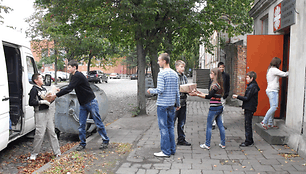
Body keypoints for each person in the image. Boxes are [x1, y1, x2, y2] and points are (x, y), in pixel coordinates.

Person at [50, 60, 109, 151]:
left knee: (97, 121)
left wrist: (56, 95)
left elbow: (70, 89)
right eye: (68, 67)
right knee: (81, 124)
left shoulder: (77, 75)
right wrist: (60, 90)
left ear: (74, 67)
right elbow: (70, 86)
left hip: (90, 102)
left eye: (69, 67)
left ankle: (105, 140)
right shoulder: (74, 76)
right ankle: (82, 143)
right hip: (83, 103)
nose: (68, 68)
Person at [147, 53, 180, 157]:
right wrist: (178, 103)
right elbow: (177, 91)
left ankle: (165, 151)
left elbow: (160, 90)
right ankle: (172, 149)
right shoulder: (175, 74)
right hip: (171, 104)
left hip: (162, 105)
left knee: (163, 128)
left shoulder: (162, 74)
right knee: (170, 126)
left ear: (164, 61)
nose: (158, 62)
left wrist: (150, 90)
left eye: (159, 60)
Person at [190, 68, 225, 150]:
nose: (210, 74)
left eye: (211, 73)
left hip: (214, 108)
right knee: (220, 126)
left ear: (215, 75)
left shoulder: (214, 85)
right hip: (219, 107)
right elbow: (211, 95)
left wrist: (196, 95)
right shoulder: (219, 84)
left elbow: (208, 96)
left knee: (209, 126)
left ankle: (207, 144)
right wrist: (199, 93)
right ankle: (223, 143)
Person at [28, 73, 61, 160]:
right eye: (40, 78)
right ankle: (34, 153)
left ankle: (57, 152)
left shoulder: (43, 89)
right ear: (36, 80)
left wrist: (53, 97)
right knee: (39, 134)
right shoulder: (34, 90)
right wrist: (41, 102)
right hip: (40, 113)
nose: (42, 79)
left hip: (47, 112)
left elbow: (48, 100)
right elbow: (31, 102)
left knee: (52, 133)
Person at [233, 71, 260, 147]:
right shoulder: (252, 86)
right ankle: (249, 139)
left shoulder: (252, 87)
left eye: (247, 77)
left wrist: (237, 96)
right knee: (248, 123)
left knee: (248, 124)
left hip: (249, 107)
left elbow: (247, 98)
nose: (246, 79)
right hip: (250, 107)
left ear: (252, 78)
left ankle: (248, 141)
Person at [261, 57, 289, 129]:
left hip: (271, 90)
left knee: (272, 107)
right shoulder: (274, 70)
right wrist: (290, 72)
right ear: (277, 63)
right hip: (273, 91)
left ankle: (270, 123)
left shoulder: (270, 69)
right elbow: (284, 74)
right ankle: (264, 121)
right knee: (274, 107)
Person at [174, 60, 191, 146]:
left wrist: (190, 90)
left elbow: (186, 87)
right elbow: (174, 90)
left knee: (182, 122)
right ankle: (170, 140)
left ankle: (181, 139)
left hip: (183, 102)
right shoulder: (174, 76)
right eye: (181, 67)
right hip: (176, 104)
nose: (183, 68)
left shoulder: (184, 77)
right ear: (177, 67)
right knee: (172, 122)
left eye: (184, 67)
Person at [212, 62, 230, 130]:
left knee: (222, 110)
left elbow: (228, 85)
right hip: (215, 95)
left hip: (222, 95)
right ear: (218, 67)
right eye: (220, 67)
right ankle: (213, 123)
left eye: (223, 67)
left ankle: (221, 124)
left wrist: (226, 94)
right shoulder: (215, 75)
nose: (221, 68)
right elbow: (211, 84)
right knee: (214, 109)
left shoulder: (226, 75)